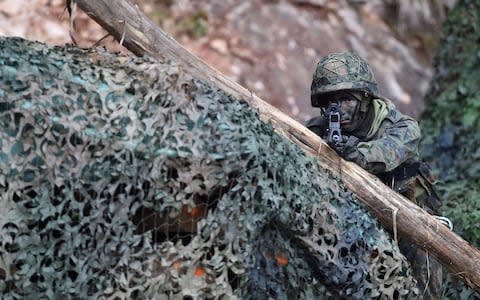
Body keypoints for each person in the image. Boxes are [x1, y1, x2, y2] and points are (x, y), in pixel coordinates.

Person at [305, 51, 446, 299]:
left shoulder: (400, 126)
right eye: (330, 102)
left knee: (426, 281)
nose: (338, 110)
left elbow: (388, 152)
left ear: (366, 97)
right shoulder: (317, 130)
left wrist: (354, 153)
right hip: (355, 221)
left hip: (411, 216)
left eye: (347, 99)